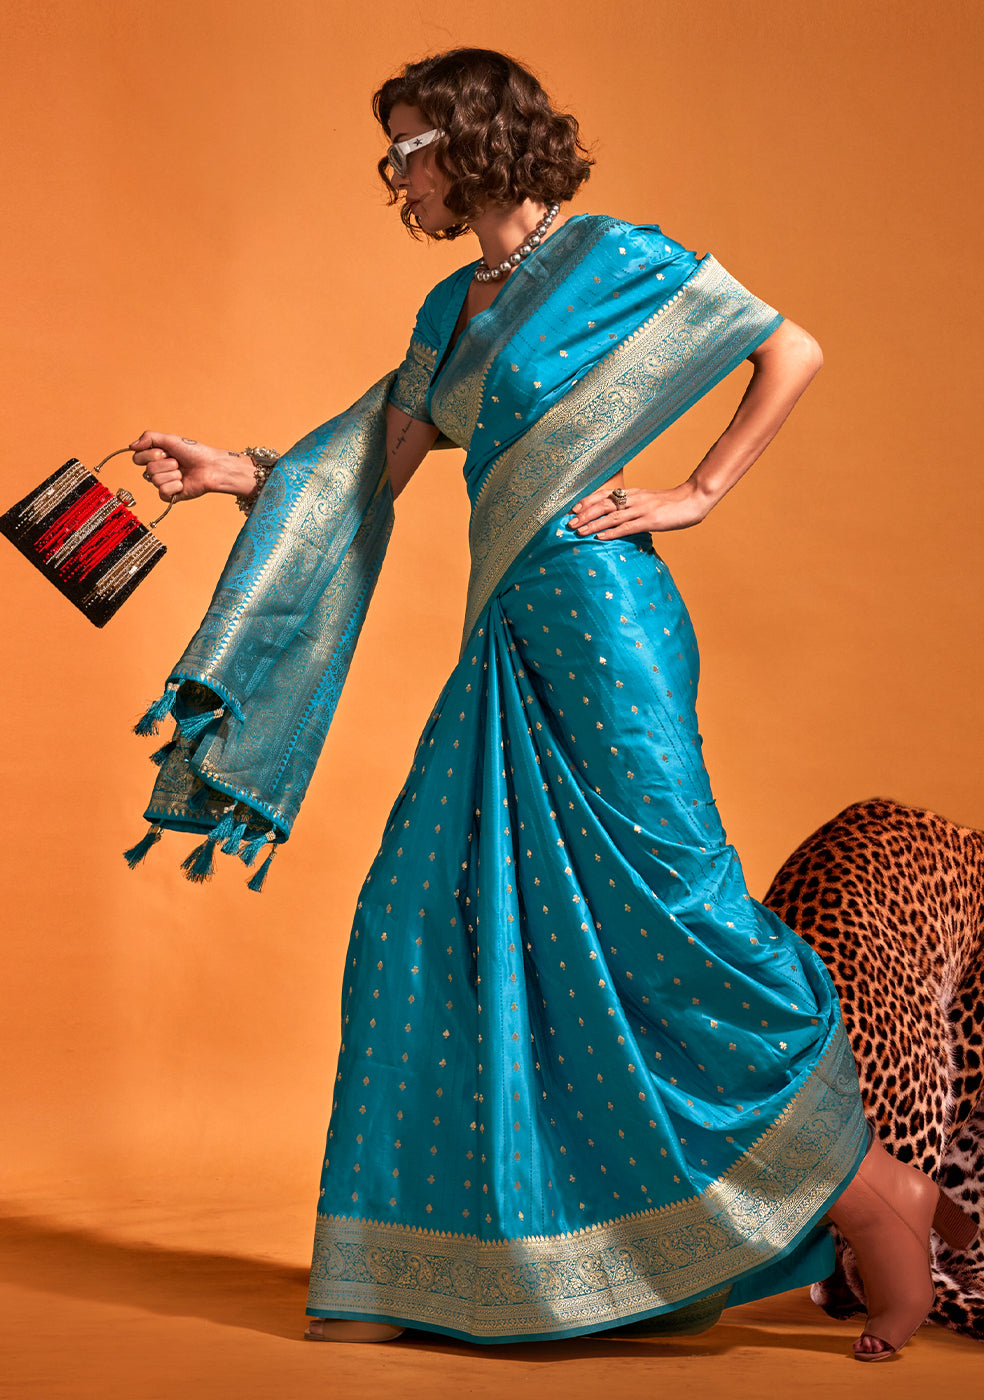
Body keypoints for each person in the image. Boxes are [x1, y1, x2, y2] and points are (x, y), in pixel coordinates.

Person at [129, 48, 976, 1359]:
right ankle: (452, 1264)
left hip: (612, 632)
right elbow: (373, 464)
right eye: (392, 149)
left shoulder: (617, 258)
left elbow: (789, 348)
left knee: (672, 923)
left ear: (477, 139)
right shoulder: (449, 307)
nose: (395, 173)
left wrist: (697, 491)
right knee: (432, 919)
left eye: (410, 146)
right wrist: (236, 472)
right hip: (509, 645)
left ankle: (875, 1196)